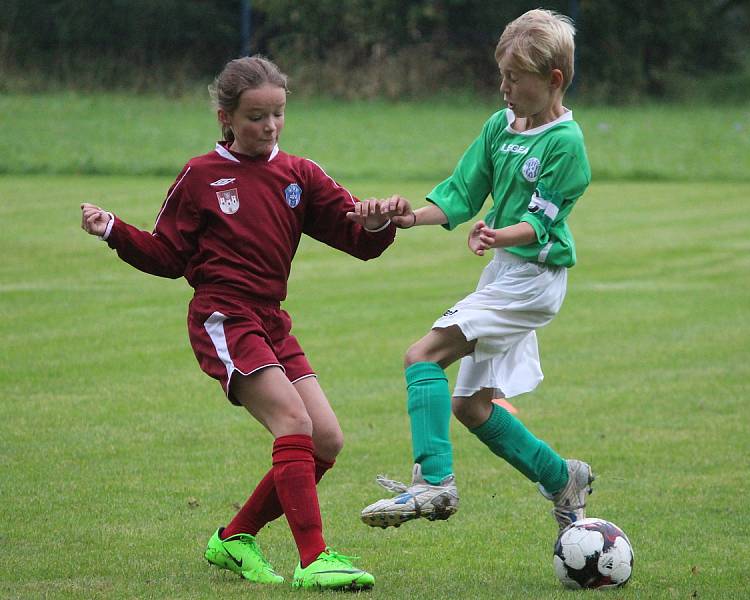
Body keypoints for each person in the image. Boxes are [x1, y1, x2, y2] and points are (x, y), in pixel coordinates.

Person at [80, 55, 402, 590]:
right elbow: (167, 255)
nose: (269, 126)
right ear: (225, 118)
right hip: (223, 314)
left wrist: (376, 225)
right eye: (256, 116)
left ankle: (234, 538)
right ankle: (314, 558)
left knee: (326, 440)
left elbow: (359, 242)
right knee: (293, 424)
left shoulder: (300, 174)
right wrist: (114, 229)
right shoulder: (202, 175)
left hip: (271, 319)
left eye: (277, 114)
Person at [360, 9, 594, 534]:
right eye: (502, 74)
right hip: (505, 275)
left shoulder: (565, 143)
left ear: (552, 80)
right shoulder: (499, 126)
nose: (504, 87)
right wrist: (410, 217)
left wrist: (496, 234)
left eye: (516, 77)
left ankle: (434, 482)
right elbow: (463, 191)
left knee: (422, 355)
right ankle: (564, 479)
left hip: (533, 280)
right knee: (470, 406)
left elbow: (541, 222)